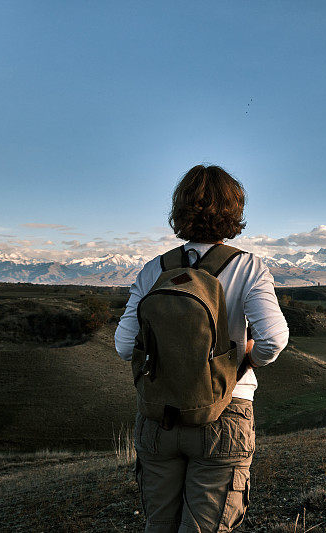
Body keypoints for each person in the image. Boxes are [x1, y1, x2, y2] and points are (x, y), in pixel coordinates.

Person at [114, 164, 289, 532]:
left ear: (179, 211)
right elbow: (273, 339)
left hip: (158, 417)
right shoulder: (248, 268)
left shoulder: (153, 271)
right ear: (235, 212)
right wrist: (238, 366)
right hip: (223, 415)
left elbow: (123, 344)